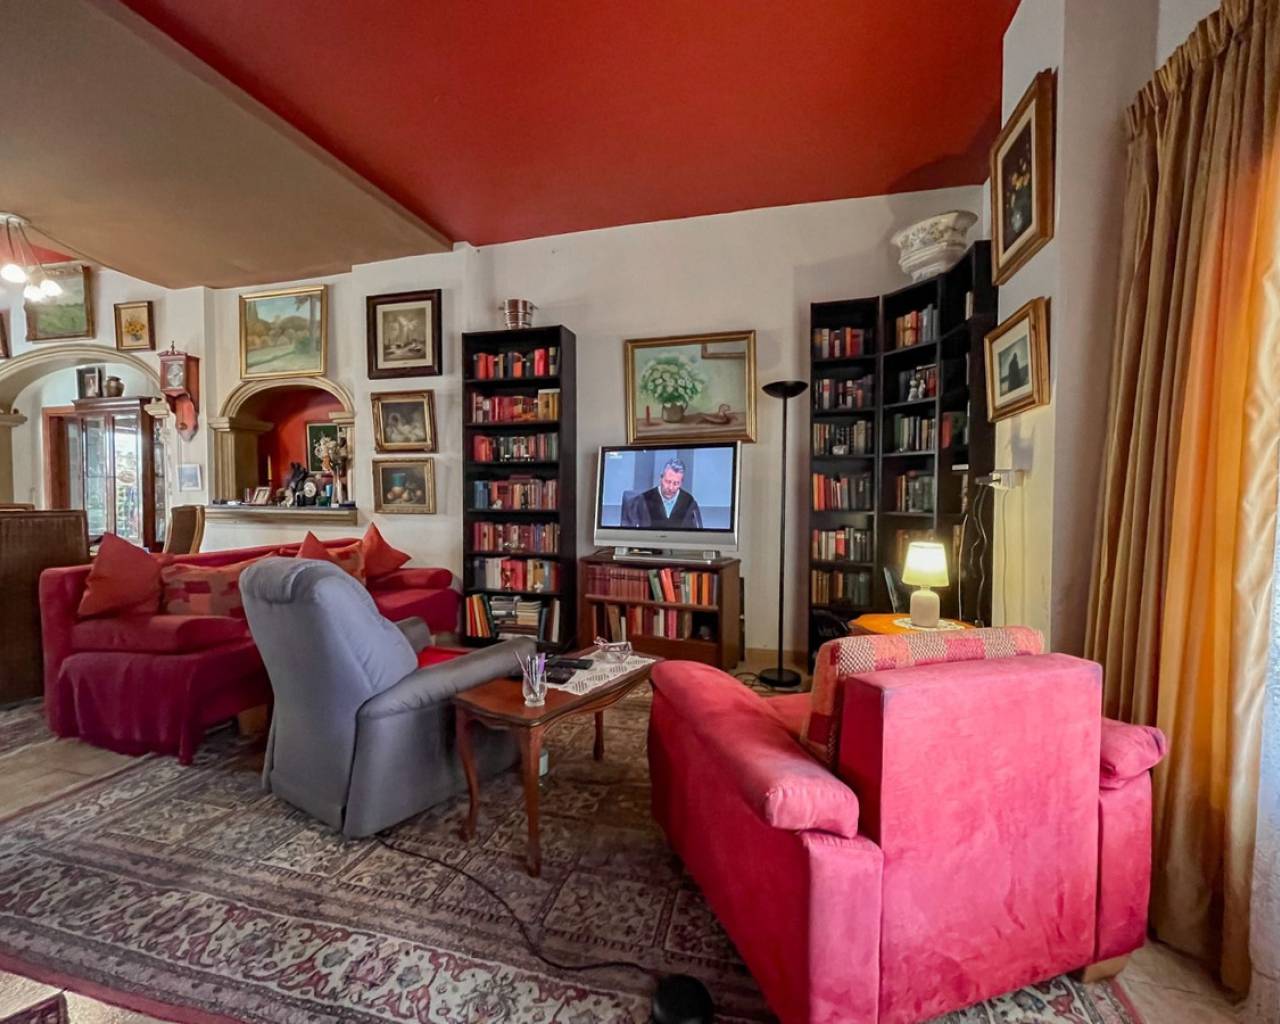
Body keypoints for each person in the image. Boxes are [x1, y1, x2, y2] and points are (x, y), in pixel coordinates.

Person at [622, 458, 703, 528]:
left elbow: (697, 535)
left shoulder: (689, 503)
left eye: (676, 483)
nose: (671, 487)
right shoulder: (643, 501)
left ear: (681, 483)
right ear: (661, 478)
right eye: (668, 482)